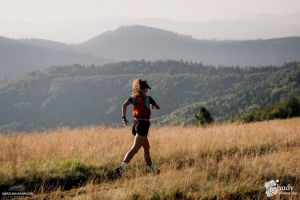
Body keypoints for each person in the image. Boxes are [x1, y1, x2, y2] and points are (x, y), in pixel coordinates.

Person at [116, 78, 160, 175]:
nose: (147, 90)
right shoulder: (149, 98)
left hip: (135, 124)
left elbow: (124, 105)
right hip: (143, 125)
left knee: (146, 148)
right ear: (144, 89)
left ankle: (151, 169)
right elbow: (158, 107)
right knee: (135, 148)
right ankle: (122, 167)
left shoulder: (133, 98)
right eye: (146, 88)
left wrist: (123, 117)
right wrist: (152, 106)